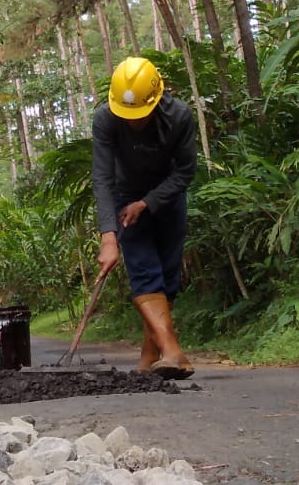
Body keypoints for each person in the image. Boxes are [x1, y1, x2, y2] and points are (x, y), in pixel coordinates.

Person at [91, 56, 196, 379]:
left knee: (168, 280)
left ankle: (149, 357)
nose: (133, 122)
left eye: (140, 115)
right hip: (125, 202)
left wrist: (148, 203)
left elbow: (185, 172)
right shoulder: (106, 120)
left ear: (157, 99)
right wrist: (108, 237)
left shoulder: (179, 116)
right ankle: (173, 352)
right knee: (144, 273)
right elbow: (103, 178)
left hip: (167, 198)